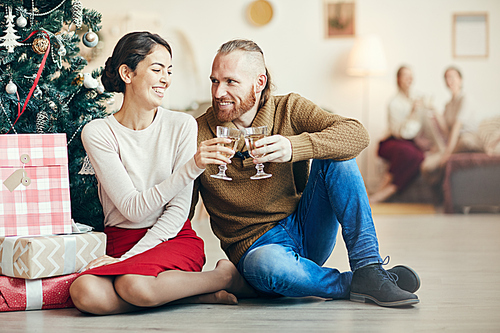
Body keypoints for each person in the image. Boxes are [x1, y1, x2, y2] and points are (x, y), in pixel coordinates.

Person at [190, 39, 420, 308]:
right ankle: (360, 282)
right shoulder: (197, 132)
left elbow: (356, 134)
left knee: (339, 156)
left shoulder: (288, 109)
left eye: (230, 82)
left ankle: (368, 265)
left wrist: (293, 147)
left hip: (306, 227)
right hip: (257, 250)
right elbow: (182, 210)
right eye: (214, 81)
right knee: (268, 266)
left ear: (259, 82)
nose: (218, 92)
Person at [70, 32, 254, 315]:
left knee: (135, 285)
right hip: (121, 238)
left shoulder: (182, 125)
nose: (166, 79)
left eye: (169, 71)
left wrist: (128, 263)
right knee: (84, 293)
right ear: (127, 73)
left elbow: (177, 212)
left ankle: (224, 275)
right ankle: (191, 294)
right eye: (157, 69)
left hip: (172, 237)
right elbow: (131, 208)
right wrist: (191, 168)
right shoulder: (98, 132)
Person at [369, 66, 427, 203]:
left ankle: (386, 192)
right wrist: (412, 113)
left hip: (411, 143)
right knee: (407, 152)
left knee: (418, 156)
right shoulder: (394, 103)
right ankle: (380, 191)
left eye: (411, 75)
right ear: (398, 79)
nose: (409, 79)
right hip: (392, 141)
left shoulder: (417, 99)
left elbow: (420, 127)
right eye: (405, 75)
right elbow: (399, 133)